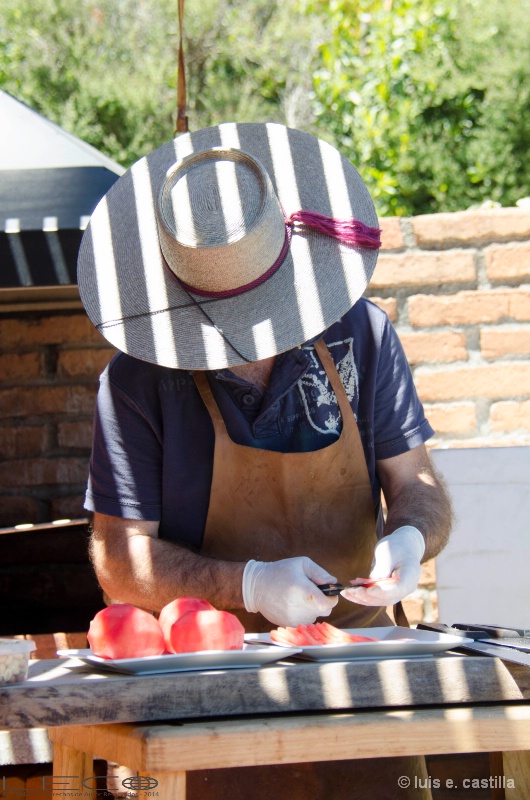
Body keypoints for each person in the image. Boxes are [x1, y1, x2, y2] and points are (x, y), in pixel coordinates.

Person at [78, 122, 452, 799]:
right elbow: (118, 557)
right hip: (202, 696)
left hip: (363, 685)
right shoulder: (137, 381)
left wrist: (409, 536)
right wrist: (245, 585)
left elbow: (418, 483)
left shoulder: (361, 335)